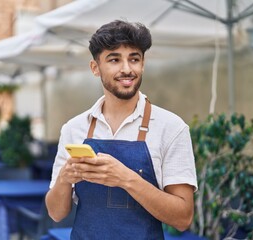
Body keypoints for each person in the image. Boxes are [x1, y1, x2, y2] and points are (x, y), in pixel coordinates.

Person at [45, 20, 197, 240]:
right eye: (114, 60)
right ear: (95, 68)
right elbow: (56, 213)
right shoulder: (74, 128)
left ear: (143, 64)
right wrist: (64, 179)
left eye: (134, 59)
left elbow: (183, 218)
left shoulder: (171, 128)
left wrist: (125, 179)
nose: (127, 69)